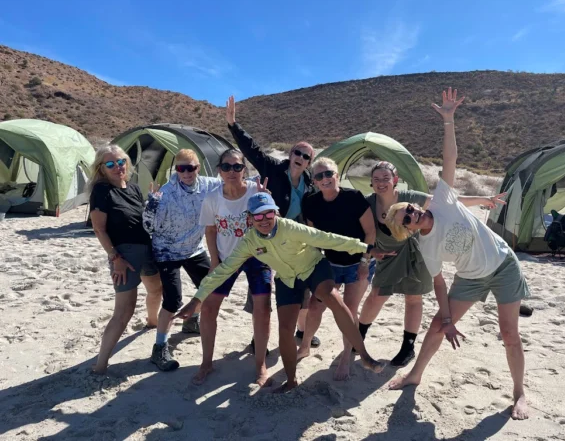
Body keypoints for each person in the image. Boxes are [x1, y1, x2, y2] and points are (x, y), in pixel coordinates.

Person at [385, 88, 530, 421]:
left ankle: (520, 392)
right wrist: (448, 321)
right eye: (406, 219)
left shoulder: (442, 201)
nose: (412, 214)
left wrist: (449, 121)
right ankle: (414, 375)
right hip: (471, 277)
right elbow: (438, 283)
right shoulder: (425, 246)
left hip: (503, 264)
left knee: (509, 333)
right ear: (406, 230)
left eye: (409, 208)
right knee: (436, 326)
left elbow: (449, 159)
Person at [175, 192, 392, 393]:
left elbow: (327, 238)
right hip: (287, 279)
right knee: (285, 329)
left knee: (331, 297)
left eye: (269, 213)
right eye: (258, 216)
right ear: (250, 218)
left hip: (313, 266)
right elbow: (223, 270)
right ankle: (290, 380)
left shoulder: (290, 227)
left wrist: (367, 248)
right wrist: (197, 299)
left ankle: (363, 355)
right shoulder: (249, 242)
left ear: (276, 212)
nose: (264, 219)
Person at [357, 161, 504, 367]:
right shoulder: (367, 204)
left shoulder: (410, 198)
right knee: (377, 295)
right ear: (371, 183)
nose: (381, 183)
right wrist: (368, 256)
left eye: (386, 178)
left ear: (395, 181)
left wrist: (484, 199)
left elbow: (449, 202)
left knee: (414, 298)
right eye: (377, 179)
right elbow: (355, 228)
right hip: (388, 254)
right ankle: (358, 337)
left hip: (420, 252)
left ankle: (408, 347)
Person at [225, 95, 320, 347]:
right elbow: (252, 150)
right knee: (262, 289)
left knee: (301, 286)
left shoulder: (310, 182)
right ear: (290, 154)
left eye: (306, 155)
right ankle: (259, 338)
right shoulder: (274, 169)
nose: (300, 157)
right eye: (297, 152)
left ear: (310, 162)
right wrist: (234, 125)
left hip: (293, 241)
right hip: (266, 234)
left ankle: (302, 331)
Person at [193, 149, 273, 386]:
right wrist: (215, 260)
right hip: (227, 258)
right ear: (219, 171)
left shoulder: (255, 192)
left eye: (237, 167)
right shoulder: (212, 198)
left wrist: (266, 199)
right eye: (226, 167)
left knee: (263, 309)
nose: (231, 171)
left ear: (244, 170)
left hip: (257, 257)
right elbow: (210, 230)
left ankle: (260, 364)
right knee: (208, 308)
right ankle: (206, 362)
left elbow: (271, 222)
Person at [142, 149, 223, 372]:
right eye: (181, 168)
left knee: (210, 284)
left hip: (193, 248)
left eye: (191, 168)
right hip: (166, 250)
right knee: (173, 300)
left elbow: (234, 182)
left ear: (199, 168)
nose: (186, 173)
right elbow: (149, 228)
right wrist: (151, 206)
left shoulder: (208, 185)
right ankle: (159, 348)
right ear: (175, 169)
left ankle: (190, 321)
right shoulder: (166, 194)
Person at [297, 157, 376, 380]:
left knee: (349, 310)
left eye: (329, 174)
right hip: (330, 262)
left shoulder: (353, 198)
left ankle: (345, 357)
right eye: (319, 176)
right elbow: (313, 237)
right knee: (314, 306)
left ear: (337, 175)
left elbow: (370, 232)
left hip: (357, 263)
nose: (325, 179)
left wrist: (364, 262)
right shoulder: (310, 201)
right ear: (314, 180)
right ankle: (304, 346)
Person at [88, 145, 163, 374]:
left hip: (147, 248)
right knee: (124, 311)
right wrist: (115, 258)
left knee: (156, 288)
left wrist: (153, 202)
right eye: (110, 164)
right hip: (125, 255)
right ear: (102, 168)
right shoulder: (101, 190)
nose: (117, 167)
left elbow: (142, 218)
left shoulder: (132, 188)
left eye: (121, 162)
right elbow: (99, 229)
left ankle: (152, 321)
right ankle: (100, 365)